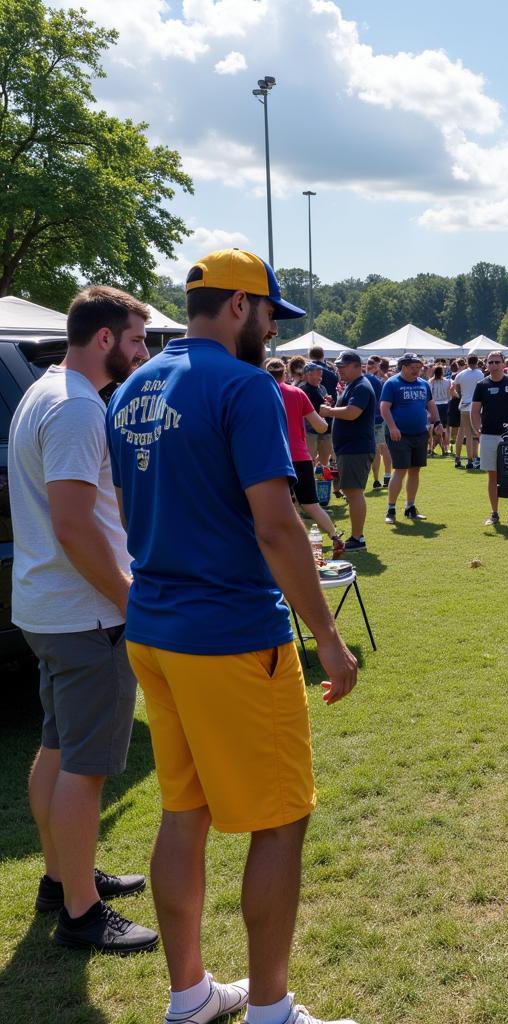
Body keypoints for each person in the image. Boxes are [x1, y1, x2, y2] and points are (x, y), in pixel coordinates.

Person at [106, 248, 359, 1024]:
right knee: (280, 818)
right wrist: (330, 637)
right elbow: (278, 525)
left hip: (155, 629)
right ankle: (272, 1011)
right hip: (230, 636)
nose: (273, 334)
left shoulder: (131, 388)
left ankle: (190, 997)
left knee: (185, 810)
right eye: (271, 316)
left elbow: (131, 508)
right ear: (242, 307)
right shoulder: (246, 386)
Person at [9, 286, 157, 955]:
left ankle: (60, 877)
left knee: (58, 747)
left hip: (49, 609)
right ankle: (81, 911)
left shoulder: (46, 390)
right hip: (85, 615)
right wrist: (130, 599)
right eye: (136, 340)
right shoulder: (75, 409)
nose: (143, 352)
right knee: (85, 767)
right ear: (104, 339)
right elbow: (73, 524)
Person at [264, 359, 344, 559]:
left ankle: (280, 545)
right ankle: (335, 537)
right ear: (285, 375)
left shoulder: (260, 394)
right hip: (299, 457)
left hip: (272, 458)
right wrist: (324, 416)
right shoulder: (297, 393)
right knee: (311, 505)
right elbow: (320, 427)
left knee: (271, 506)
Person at [321, 351, 376, 552]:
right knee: (351, 492)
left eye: (343, 367)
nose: (339, 370)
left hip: (356, 448)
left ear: (356, 366)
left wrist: (329, 411)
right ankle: (357, 536)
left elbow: (353, 413)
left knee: (354, 493)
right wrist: (333, 406)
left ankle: (358, 538)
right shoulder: (354, 385)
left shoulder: (361, 386)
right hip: (350, 448)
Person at [379, 352, 438, 524]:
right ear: (403, 367)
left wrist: (438, 421)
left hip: (419, 433)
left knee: (415, 470)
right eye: (413, 368)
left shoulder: (423, 384)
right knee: (400, 470)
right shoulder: (392, 383)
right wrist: (392, 427)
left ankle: (410, 507)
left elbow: (430, 404)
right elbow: (384, 408)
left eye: (419, 368)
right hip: (399, 435)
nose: (416, 371)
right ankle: (391, 509)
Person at [471, 354, 508, 525]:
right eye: (491, 362)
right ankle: (494, 513)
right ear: (486, 365)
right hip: (488, 435)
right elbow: (474, 411)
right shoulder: (481, 385)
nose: (494, 365)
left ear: (503, 364)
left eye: (497, 362)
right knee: (492, 475)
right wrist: (478, 431)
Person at [299, 362, 335, 477]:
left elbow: (326, 405)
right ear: (308, 374)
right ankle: (311, 486)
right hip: (309, 432)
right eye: (318, 372)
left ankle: (323, 488)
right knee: (310, 461)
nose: (321, 375)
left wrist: (329, 401)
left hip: (326, 429)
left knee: (325, 462)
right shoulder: (302, 390)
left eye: (321, 372)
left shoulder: (322, 388)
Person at [453, 355, 485, 469]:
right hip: (475, 407)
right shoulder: (480, 374)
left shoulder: (461, 374)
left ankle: (459, 457)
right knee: (473, 434)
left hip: (464, 406)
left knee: (463, 433)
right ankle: (471, 460)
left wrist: (460, 395)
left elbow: (454, 389)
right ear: (477, 362)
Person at [366, 356, 391, 491]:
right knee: (383, 447)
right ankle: (385, 476)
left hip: (375, 418)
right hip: (380, 417)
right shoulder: (385, 380)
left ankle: (378, 479)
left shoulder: (370, 379)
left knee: (379, 448)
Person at [428, 364, 450, 456]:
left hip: (434, 405)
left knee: (433, 429)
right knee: (442, 429)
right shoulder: (447, 382)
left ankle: (432, 448)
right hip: (444, 405)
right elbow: (449, 394)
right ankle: (443, 449)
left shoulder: (430, 382)